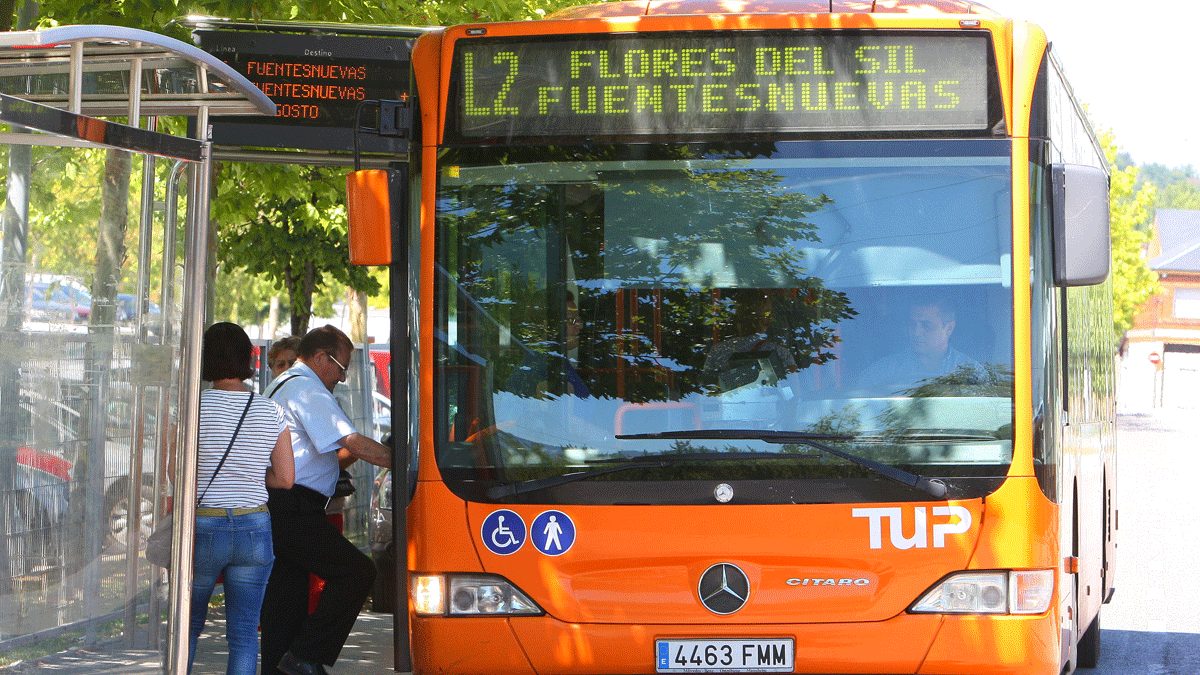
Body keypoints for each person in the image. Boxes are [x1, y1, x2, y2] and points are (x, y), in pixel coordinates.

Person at [260, 324, 392, 675]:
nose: (343, 377)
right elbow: (353, 443)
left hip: (283, 504)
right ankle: (304, 655)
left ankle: (281, 665)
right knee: (357, 572)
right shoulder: (307, 389)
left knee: (285, 601)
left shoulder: (283, 384)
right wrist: (405, 461)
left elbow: (331, 452)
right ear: (321, 358)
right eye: (341, 367)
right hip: (292, 506)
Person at [190, 322, 295, 675]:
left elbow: (174, 471)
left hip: (204, 525)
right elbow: (285, 478)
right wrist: (248, 476)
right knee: (244, 633)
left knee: (188, 627)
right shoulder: (270, 410)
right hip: (253, 527)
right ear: (248, 358)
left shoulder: (191, 407)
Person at [859, 297, 979, 391]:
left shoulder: (974, 373)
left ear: (949, 328)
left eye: (926, 325)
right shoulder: (880, 373)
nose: (916, 333)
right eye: (912, 324)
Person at [506, 291, 590, 398]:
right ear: (548, 326)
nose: (580, 326)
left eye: (578, 320)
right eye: (571, 320)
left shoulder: (554, 362)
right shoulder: (543, 371)